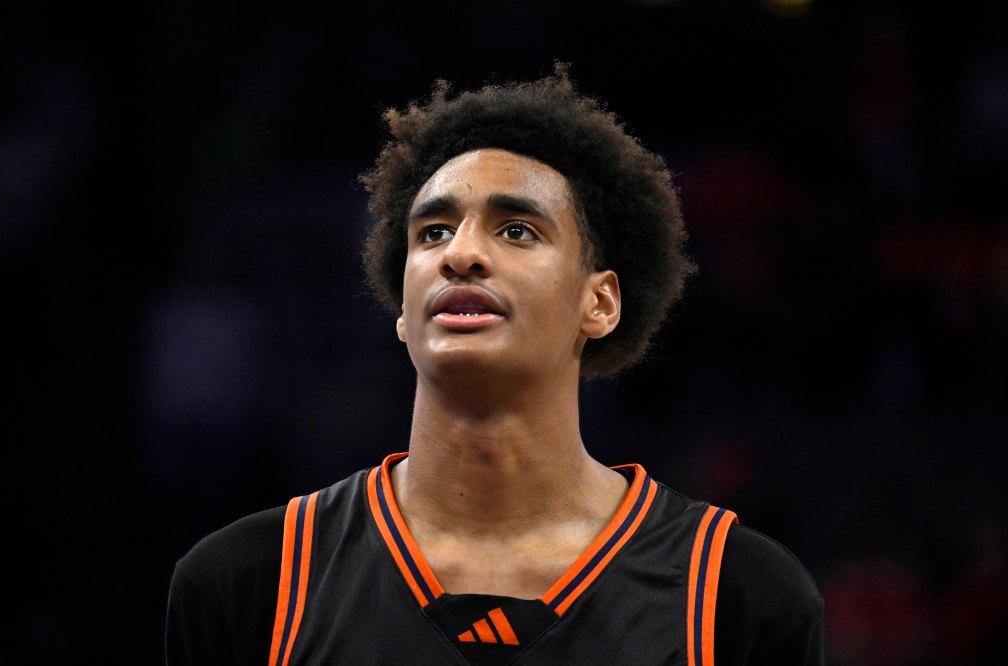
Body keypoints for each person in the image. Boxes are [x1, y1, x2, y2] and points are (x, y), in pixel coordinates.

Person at [166, 66, 825, 665]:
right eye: (433, 232)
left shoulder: (737, 594)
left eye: (516, 230)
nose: (461, 255)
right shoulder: (249, 583)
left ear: (598, 303)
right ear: (402, 308)